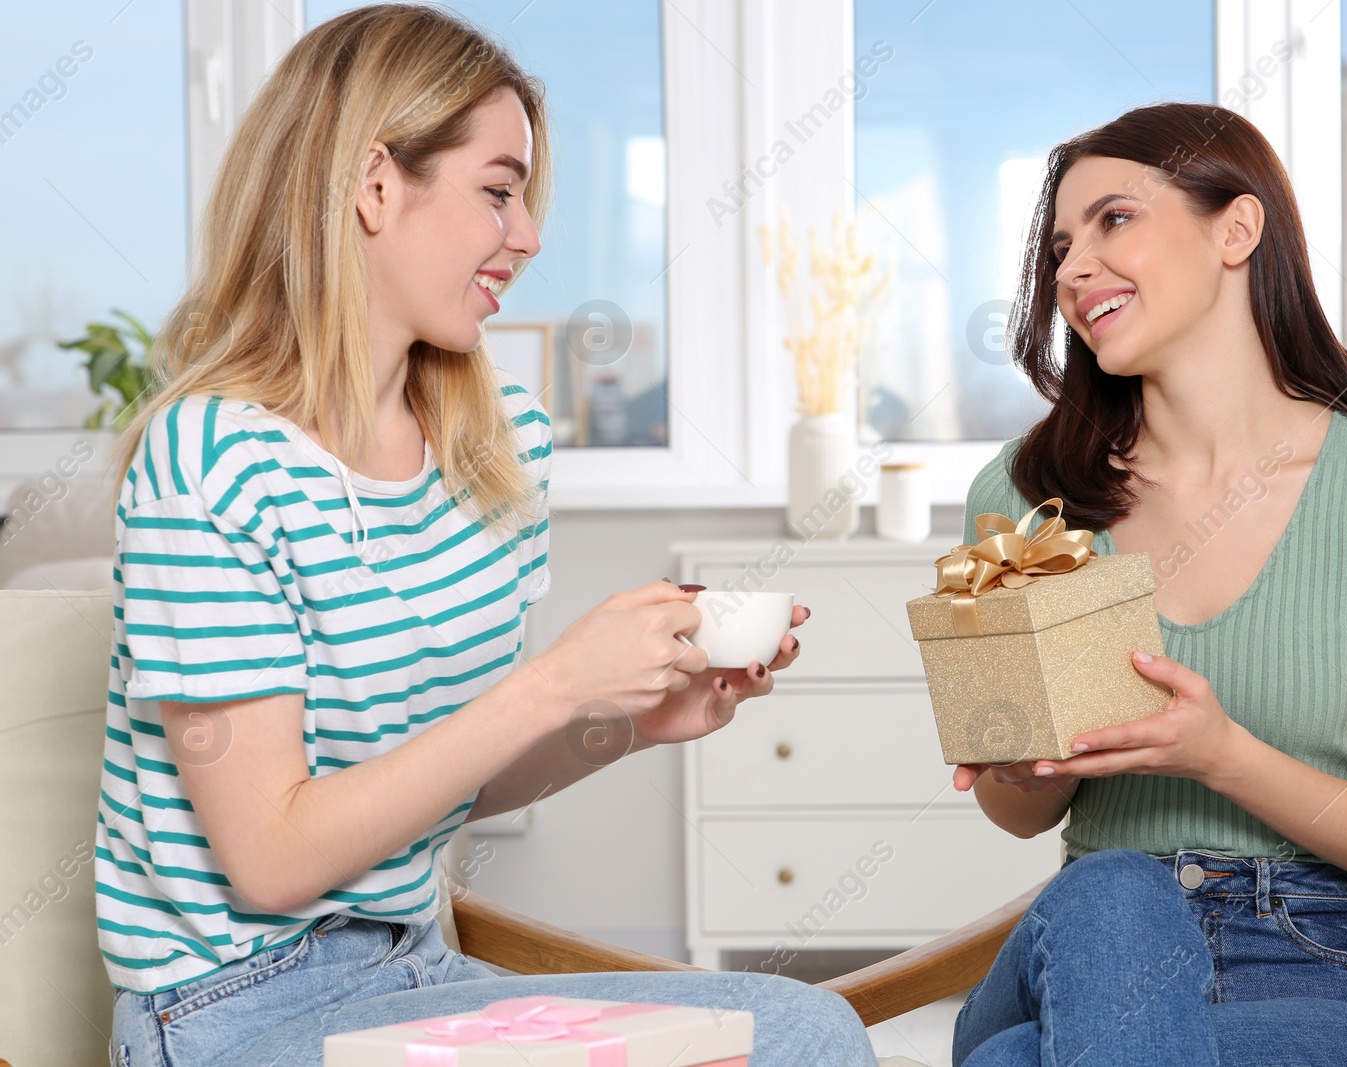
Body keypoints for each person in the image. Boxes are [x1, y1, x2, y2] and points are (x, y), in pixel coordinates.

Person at [96, 6, 876, 1065]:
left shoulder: (496, 444)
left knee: (803, 1027)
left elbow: (460, 773)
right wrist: (556, 683)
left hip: (418, 969)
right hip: (241, 1010)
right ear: (376, 184)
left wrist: (630, 719)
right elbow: (270, 859)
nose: (529, 235)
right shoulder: (213, 460)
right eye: (498, 191)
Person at [948, 102, 1347, 1066]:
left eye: (1114, 219)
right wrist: (1027, 761)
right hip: (1088, 943)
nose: (1073, 270)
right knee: (1116, 887)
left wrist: (1220, 754)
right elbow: (1020, 812)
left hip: (1323, 962)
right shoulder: (1029, 496)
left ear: (1236, 229)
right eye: (1060, 248)